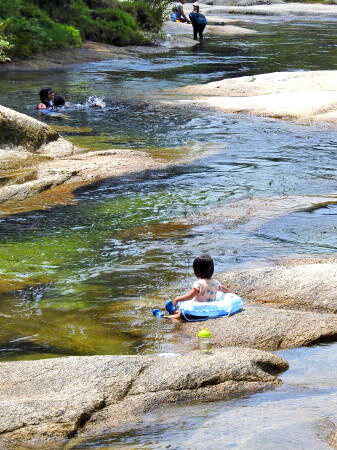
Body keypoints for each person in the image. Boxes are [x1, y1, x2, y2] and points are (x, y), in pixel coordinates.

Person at [167, 254, 231, 321]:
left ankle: (164, 316)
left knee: (180, 315)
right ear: (212, 269)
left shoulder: (199, 284)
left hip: (198, 311)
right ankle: (174, 312)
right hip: (211, 310)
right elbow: (224, 289)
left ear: (196, 271)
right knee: (181, 313)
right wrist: (232, 294)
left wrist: (177, 299)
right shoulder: (216, 282)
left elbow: (190, 296)